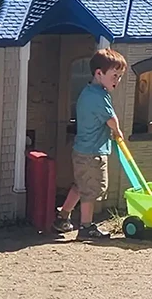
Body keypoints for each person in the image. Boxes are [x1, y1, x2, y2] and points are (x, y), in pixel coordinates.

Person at [54, 48, 127, 239]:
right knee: (92, 189)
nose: (116, 81)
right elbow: (111, 119)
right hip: (92, 153)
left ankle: (62, 216)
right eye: (114, 76)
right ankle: (86, 226)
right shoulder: (97, 96)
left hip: (82, 150)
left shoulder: (90, 91)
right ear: (99, 73)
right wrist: (117, 132)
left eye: (119, 77)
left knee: (81, 185)